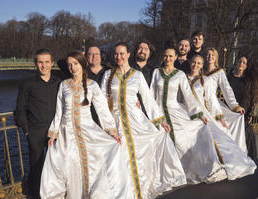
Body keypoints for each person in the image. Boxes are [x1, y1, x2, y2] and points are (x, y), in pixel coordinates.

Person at [101, 42, 186, 199]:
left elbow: (148, 100)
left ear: (128, 55)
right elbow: (101, 103)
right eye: (116, 54)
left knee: (140, 155)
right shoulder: (108, 75)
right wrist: (107, 126)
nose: (118, 57)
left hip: (136, 121)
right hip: (115, 123)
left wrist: (160, 121)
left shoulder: (137, 75)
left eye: (121, 53)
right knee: (120, 158)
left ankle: (140, 191)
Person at [40, 51, 128, 199]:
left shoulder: (92, 85)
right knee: (70, 167)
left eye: (75, 64)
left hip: (88, 132)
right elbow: (59, 111)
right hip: (66, 134)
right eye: (70, 65)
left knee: (92, 165)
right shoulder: (64, 85)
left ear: (82, 64)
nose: (72, 68)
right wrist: (53, 133)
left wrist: (112, 132)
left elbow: (102, 110)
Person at [150, 46, 227, 184]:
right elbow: (151, 94)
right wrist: (152, 115)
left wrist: (198, 114)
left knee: (183, 141)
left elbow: (188, 96)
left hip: (175, 111)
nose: (168, 59)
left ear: (175, 57)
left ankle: (181, 172)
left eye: (171, 56)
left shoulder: (180, 75)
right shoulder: (156, 72)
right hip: (158, 113)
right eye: (165, 56)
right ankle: (163, 174)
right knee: (159, 142)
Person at [188, 55, 257, 181]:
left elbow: (215, 97)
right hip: (190, 113)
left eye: (198, 63)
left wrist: (226, 112)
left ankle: (219, 165)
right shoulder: (184, 77)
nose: (195, 65)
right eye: (193, 62)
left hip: (207, 113)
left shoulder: (207, 79)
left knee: (216, 138)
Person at [14, 49, 61, 199]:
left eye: (47, 62)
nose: (44, 66)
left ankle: (57, 194)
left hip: (56, 131)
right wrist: (27, 131)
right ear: (36, 64)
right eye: (40, 62)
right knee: (36, 167)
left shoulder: (59, 83)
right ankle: (35, 195)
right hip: (35, 132)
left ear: (52, 63)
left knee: (57, 165)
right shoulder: (27, 84)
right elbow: (20, 109)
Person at [204, 47, 247, 153]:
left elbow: (226, 90)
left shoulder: (219, 72)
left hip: (213, 106)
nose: (210, 57)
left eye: (213, 55)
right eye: (208, 54)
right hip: (199, 105)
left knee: (215, 134)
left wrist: (235, 106)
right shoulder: (200, 69)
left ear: (216, 58)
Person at [227, 56, 258, 160]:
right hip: (230, 109)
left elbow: (252, 97)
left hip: (244, 109)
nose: (241, 64)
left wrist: (250, 113)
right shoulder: (229, 77)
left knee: (245, 132)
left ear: (246, 66)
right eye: (240, 61)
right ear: (236, 63)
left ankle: (248, 156)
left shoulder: (248, 80)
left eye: (244, 62)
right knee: (231, 133)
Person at [85, 45, 110, 125]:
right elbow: (61, 63)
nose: (94, 56)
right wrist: (80, 56)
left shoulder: (109, 71)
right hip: (88, 114)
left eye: (96, 54)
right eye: (90, 54)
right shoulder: (82, 72)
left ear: (101, 56)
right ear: (86, 56)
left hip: (107, 113)